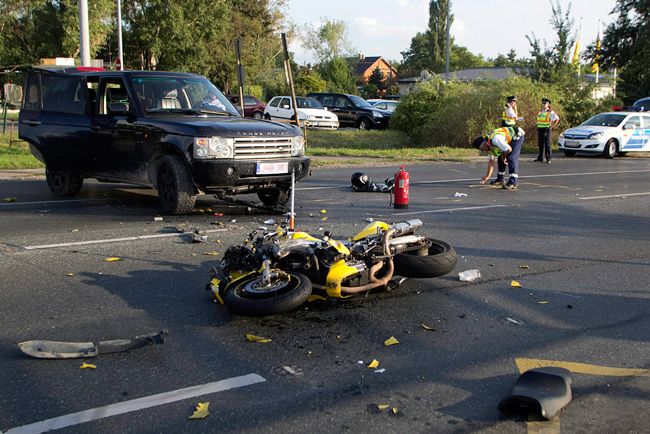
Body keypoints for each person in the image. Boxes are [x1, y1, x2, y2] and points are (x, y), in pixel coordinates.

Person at [472, 126, 525, 190]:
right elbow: (491, 161)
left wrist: (504, 156)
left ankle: (513, 182)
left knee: (511, 157)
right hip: (507, 139)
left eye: (481, 149)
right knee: (500, 156)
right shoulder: (488, 146)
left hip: (517, 135)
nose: (483, 151)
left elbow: (509, 149)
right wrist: (487, 176)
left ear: (484, 144)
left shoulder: (495, 139)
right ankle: (500, 179)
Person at [534, 98, 560, 163]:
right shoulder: (540, 111)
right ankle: (540, 158)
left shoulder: (550, 112)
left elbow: (557, 118)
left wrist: (553, 125)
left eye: (545, 103)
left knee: (547, 144)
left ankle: (548, 158)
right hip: (540, 129)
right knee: (540, 144)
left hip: (547, 129)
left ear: (548, 104)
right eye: (542, 103)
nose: (543, 104)